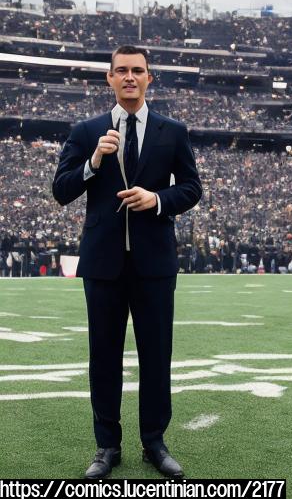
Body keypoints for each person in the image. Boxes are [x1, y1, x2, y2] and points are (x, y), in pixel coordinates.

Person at [52, 45, 202, 479]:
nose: (130, 77)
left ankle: (154, 442)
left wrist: (158, 199)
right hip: (103, 264)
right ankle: (106, 446)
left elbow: (192, 188)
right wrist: (94, 160)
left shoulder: (172, 131)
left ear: (149, 78)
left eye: (138, 70)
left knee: (157, 356)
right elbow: (61, 190)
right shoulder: (87, 131)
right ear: (110, 79)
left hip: (155, 263)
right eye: (122, 71)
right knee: (104, 356)